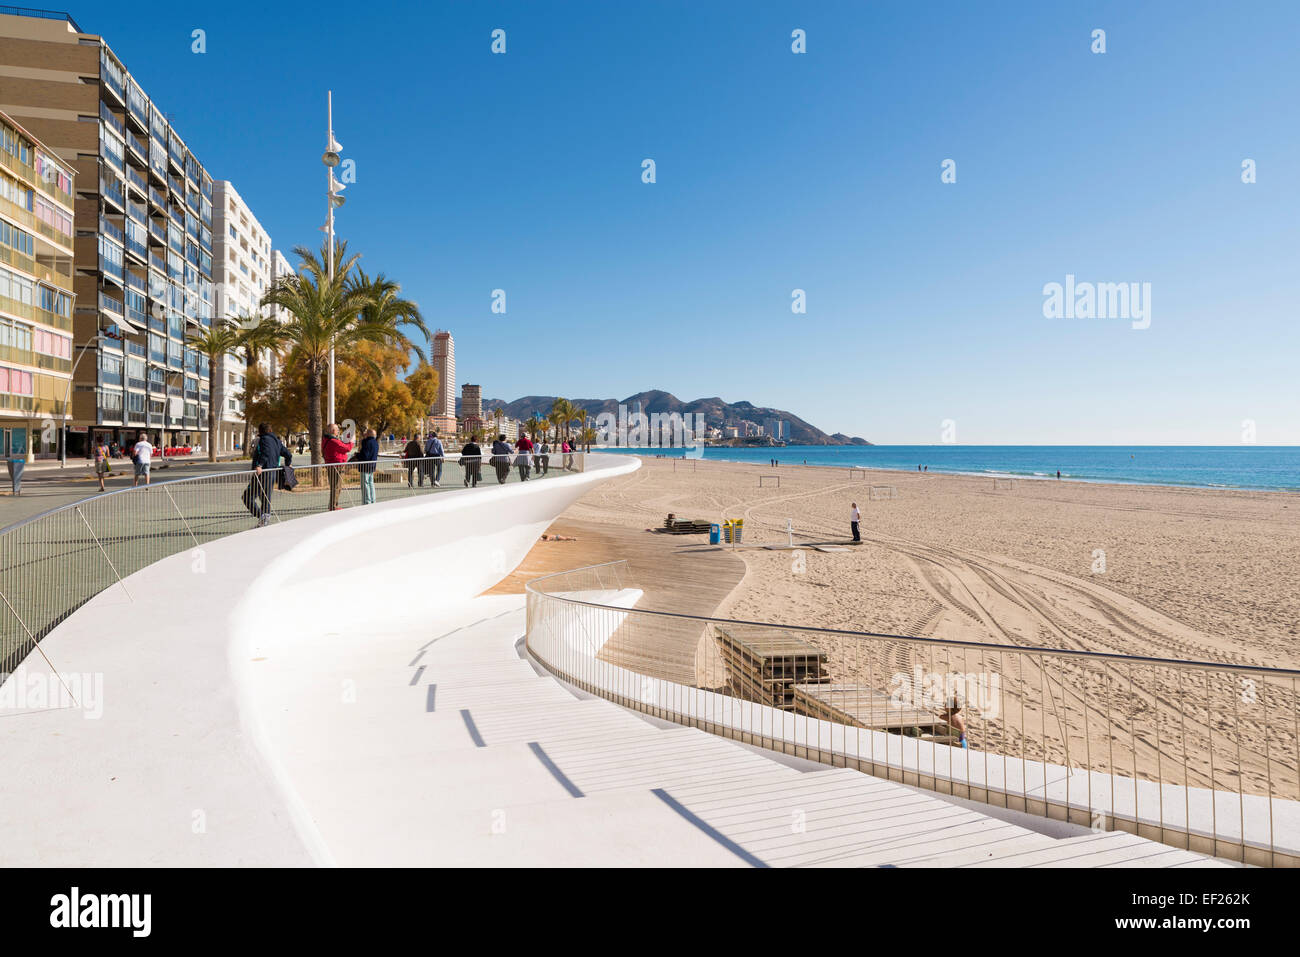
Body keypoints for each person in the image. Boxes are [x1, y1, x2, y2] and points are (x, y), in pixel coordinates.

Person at [248, 422, 291, 527]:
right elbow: (288, 454)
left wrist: (260, 465)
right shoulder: (277, 441)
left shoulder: (264, 439)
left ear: (260, 430)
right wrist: (288, 464)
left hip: (264, 472)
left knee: (251, 497)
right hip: (271, 473)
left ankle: (263, 519)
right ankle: (263, 519)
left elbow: (266, 453)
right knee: (263, 497)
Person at [322, 423, 353, 511]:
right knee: (336, 486)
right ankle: (333, 506)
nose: (338, 431)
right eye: (337, 430)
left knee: (335, 486)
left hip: (332, 464)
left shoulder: (326, 439)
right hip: (337, 466)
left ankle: (333, 505)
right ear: (333, 431)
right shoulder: (333, 441)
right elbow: (346, 448)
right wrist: (351, 442)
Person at [354, 428, 379, 505]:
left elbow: (365, 455)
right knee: (371, 483)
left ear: (368, 434)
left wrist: (357, 455)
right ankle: (372, 500)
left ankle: (366, 501)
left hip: (365, 466)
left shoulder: (366, 442)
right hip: (372, 465)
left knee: (365, 484)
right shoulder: (376, 443)